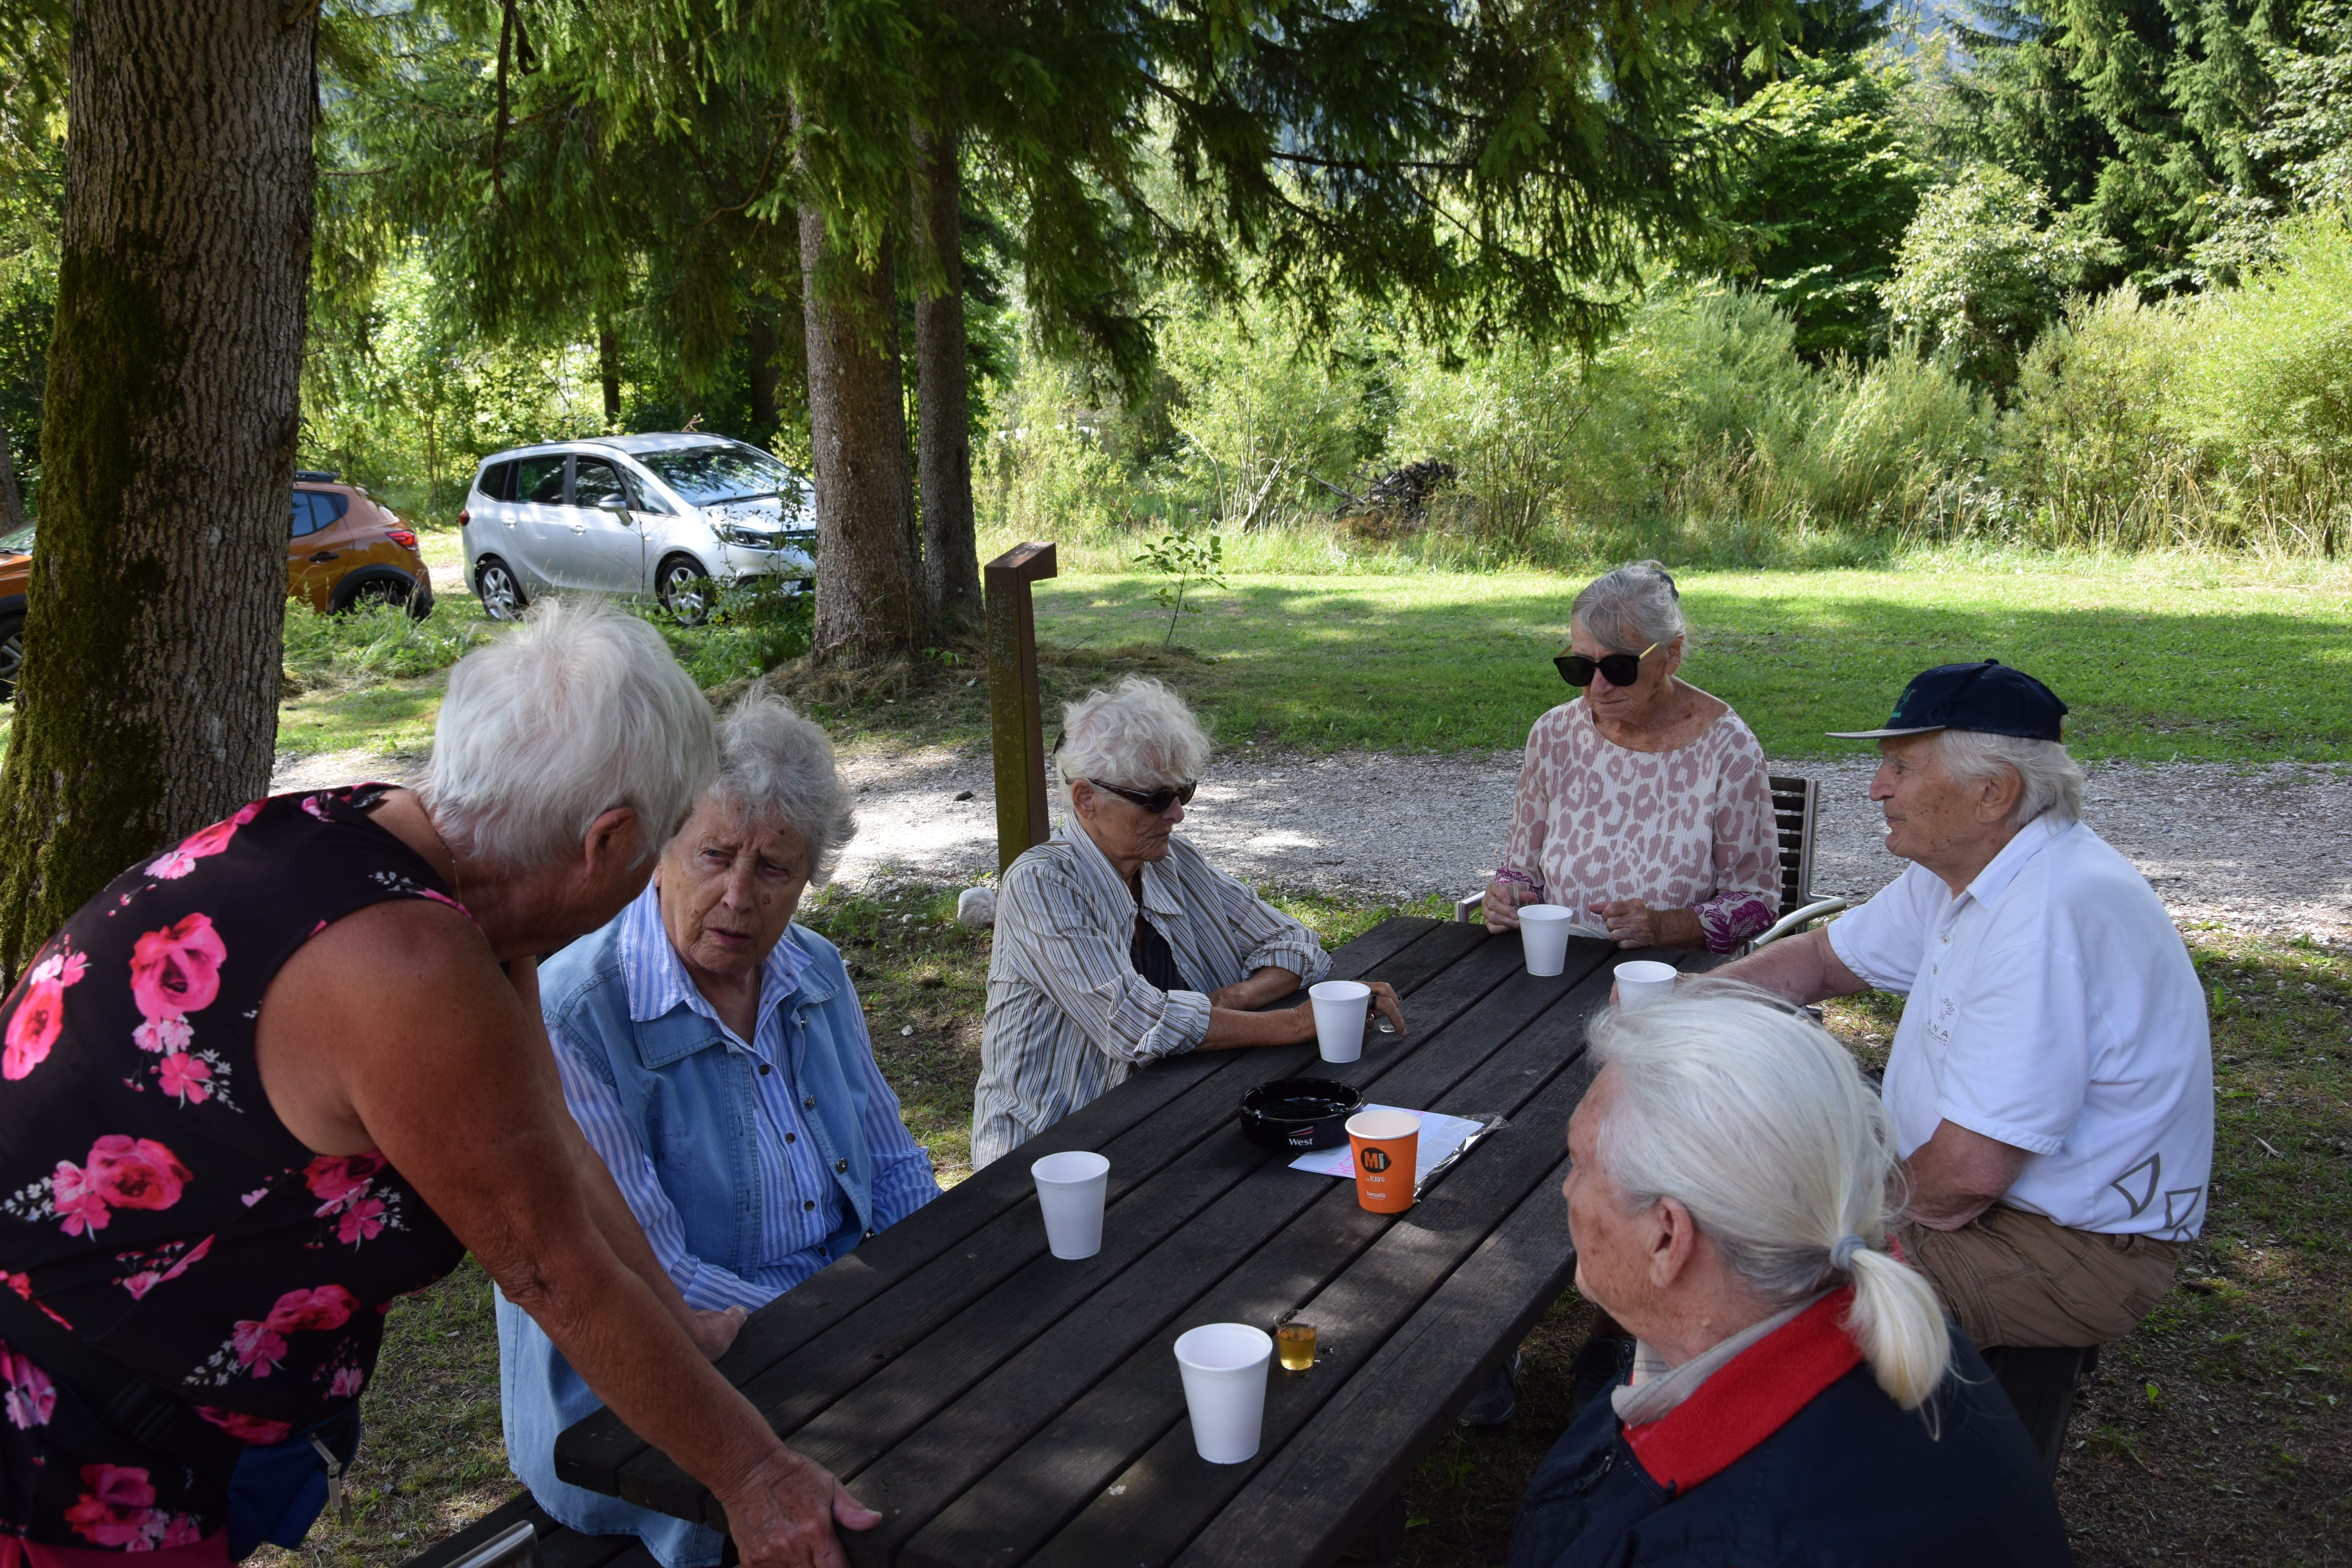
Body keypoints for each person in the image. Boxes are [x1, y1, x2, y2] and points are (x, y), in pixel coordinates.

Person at [0, 599, 877, 1568]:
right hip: (56, 1428)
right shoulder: (411, 968)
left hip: (145, 1407)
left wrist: (678, 1314)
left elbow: (557, 1145)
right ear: (610, 840)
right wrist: (757, 1478)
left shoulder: (436, 873)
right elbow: (550, 1268)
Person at [498, 689, 940, 1568]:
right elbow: (656, 1276)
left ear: (810, 875)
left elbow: (893, 1169)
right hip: (660, 1387)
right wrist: (854, 1326)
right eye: (714, 855)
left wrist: (928, 1287)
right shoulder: (578, 1013)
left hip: (837, 1327)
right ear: (659, 851)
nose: (737, 895)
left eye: (774, 869)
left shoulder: (813, 969)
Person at [1710, 660, 2212, 1351]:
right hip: (1997, 1212)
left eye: (1902, 768)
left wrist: (1823, 1217)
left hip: (2059, 1251)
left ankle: (1683, 1436)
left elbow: (1967, 1176)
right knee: (1737, 1209)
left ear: (1993, 793)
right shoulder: (1976, 865)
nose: (1876, 788)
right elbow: (1825, 961)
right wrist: (1687, 1001)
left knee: (1743, 1280)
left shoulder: (2046, 913)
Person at [1506, 986, 2070, 1568]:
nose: (1567, 1190)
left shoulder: (1733, 1543)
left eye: (1580, 1165)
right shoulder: (1887, 1322)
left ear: (1668, 1238)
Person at [972, 677, 1406, 1170]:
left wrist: (1230, 1000)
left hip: (1170, 1115)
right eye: (1156, 799)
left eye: (1184, 791)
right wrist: (1298, 1022)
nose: (1177, 813)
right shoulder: (1041, 883)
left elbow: (1295, 943)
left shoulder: (1171, 861)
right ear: (1086, 800)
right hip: (1051, 1152)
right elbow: (1133, 1024)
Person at [1481, 561, 1778, 954]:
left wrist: (1664, 927)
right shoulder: (1554, 734)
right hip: (1558, 964)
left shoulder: (1727, 748)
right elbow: (1521, 871)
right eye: (1581, 666)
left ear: (1672, 654)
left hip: (1669, 978)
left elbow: (1756, 902)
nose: (1598, 687)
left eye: (1619, 667)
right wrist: (1507, 899)